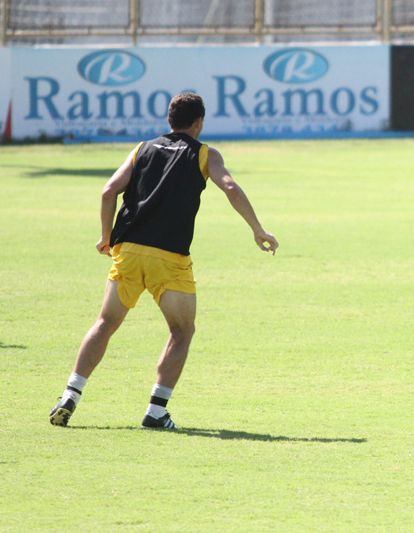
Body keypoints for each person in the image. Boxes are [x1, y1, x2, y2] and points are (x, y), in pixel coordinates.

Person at [49, 92, 278, 428]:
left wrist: (106, 236)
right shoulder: (204, 154)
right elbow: (228, 186)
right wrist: (257, 229)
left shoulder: (142, 149)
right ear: (199, 122)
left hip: (128, 251)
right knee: (182, 331)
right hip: (169, 258)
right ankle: (156, 411)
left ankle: (70, 394)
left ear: (169, 121)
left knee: (105, 324)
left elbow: (108, 190)